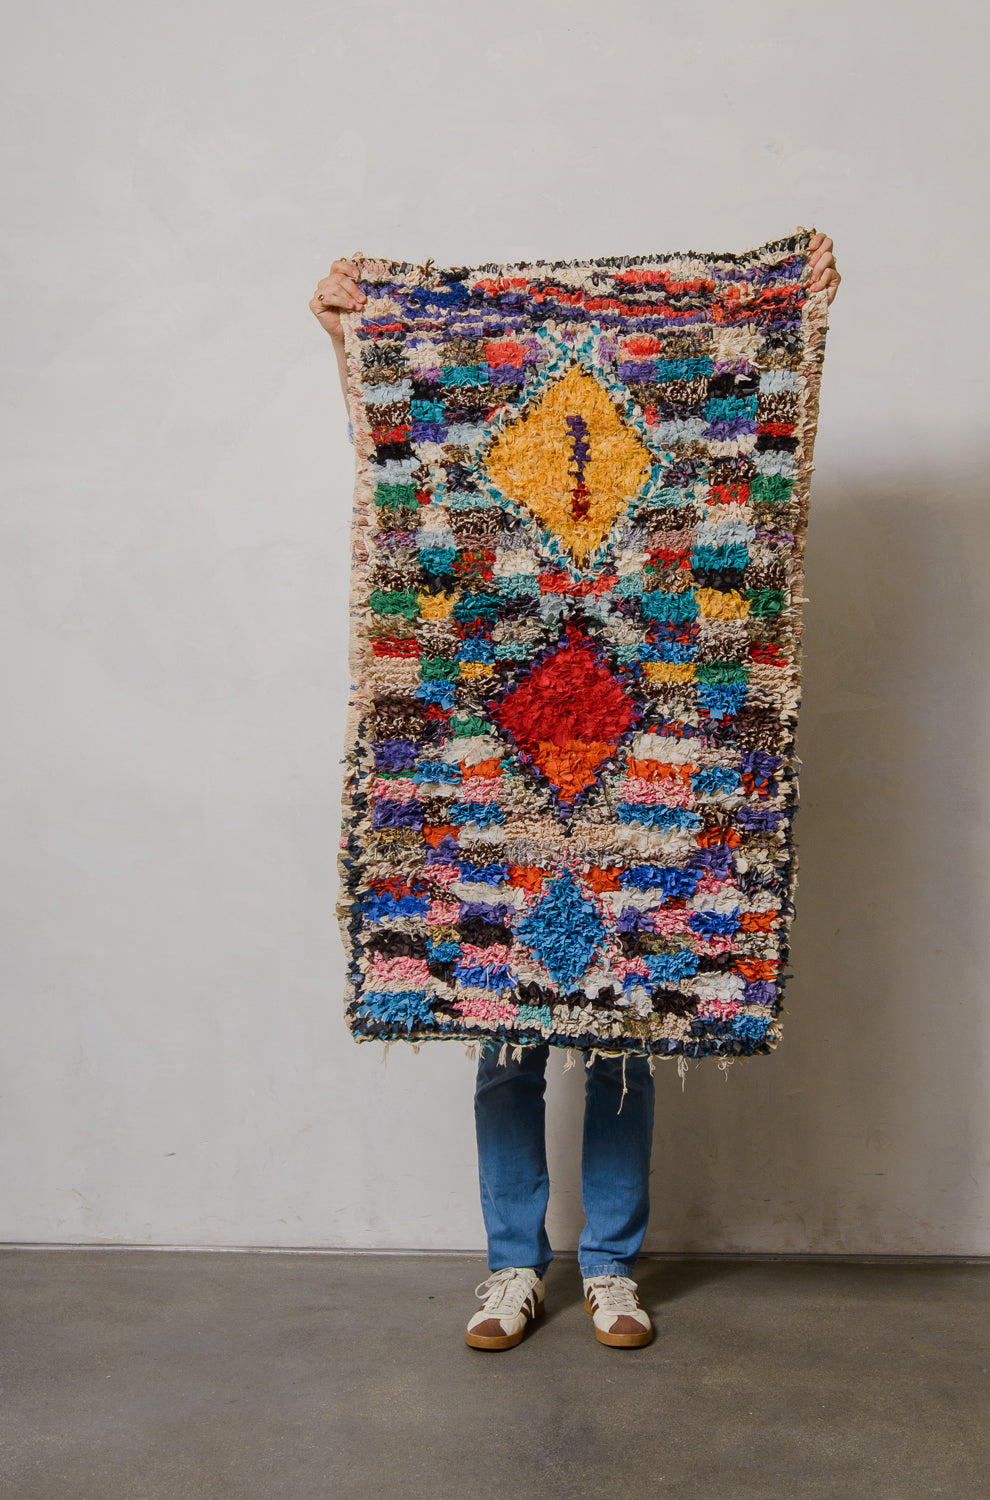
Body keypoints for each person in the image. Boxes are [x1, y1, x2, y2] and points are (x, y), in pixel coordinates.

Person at [310, 229, 840, 1351]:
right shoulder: (461, 412)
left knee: (617, 1027)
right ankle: (513, 1270)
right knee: (509, 1035)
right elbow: (406, 451)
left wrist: (792, 308)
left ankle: (608, 1269)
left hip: (634, 762)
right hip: (494, 778)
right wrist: (348, 335)